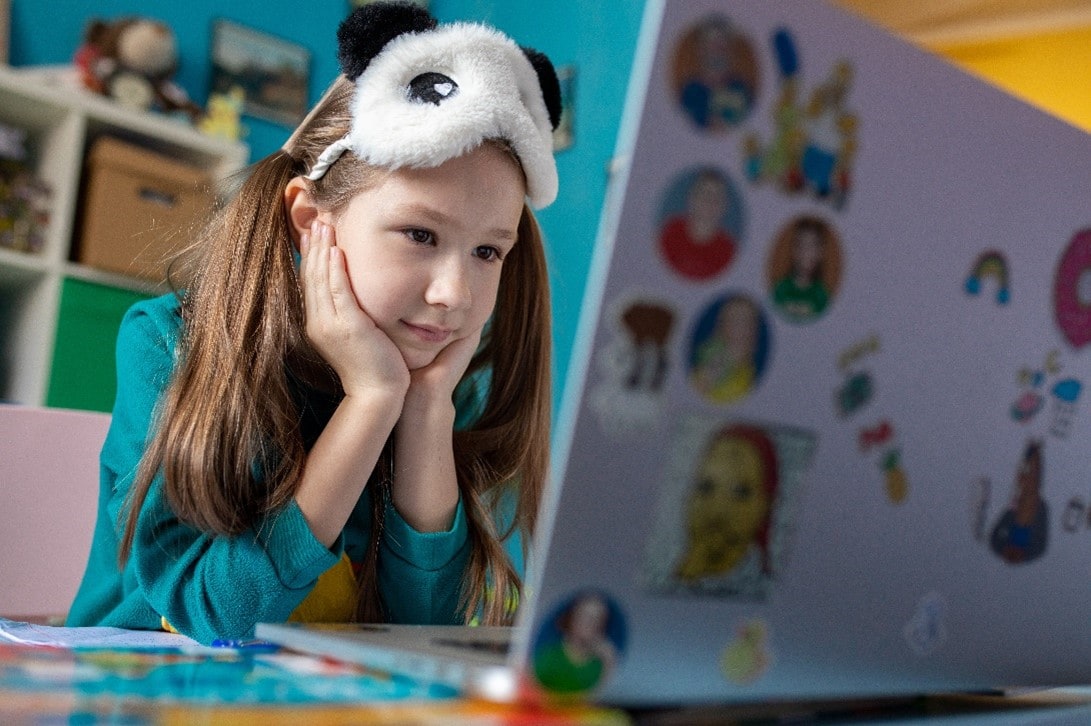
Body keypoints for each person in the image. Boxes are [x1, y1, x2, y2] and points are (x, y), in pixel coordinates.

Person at [66, 1, 561, 644]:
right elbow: (216, 617)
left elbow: (424, 634)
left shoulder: (437, 380)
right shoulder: (170, 342)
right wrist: (371, 400)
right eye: (419, 233)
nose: (452, 292)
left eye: (487, 251)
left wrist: (423, 411)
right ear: (309, 219)